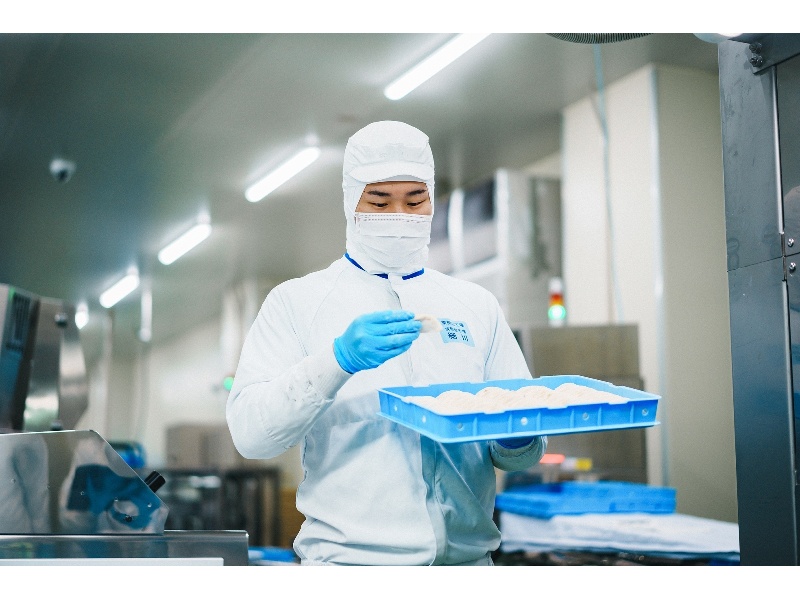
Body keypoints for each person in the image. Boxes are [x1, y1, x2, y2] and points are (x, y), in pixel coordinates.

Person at [226, 120, 546, 566]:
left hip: (468, 571)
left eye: (415, 200)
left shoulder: (476, 305)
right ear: (350, 201)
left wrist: (518, 438)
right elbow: (251, 436)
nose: (400, 215)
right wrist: (336, 361)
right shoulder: (298, 302)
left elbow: (518, 451)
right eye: (379, 201)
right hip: (352, 570)